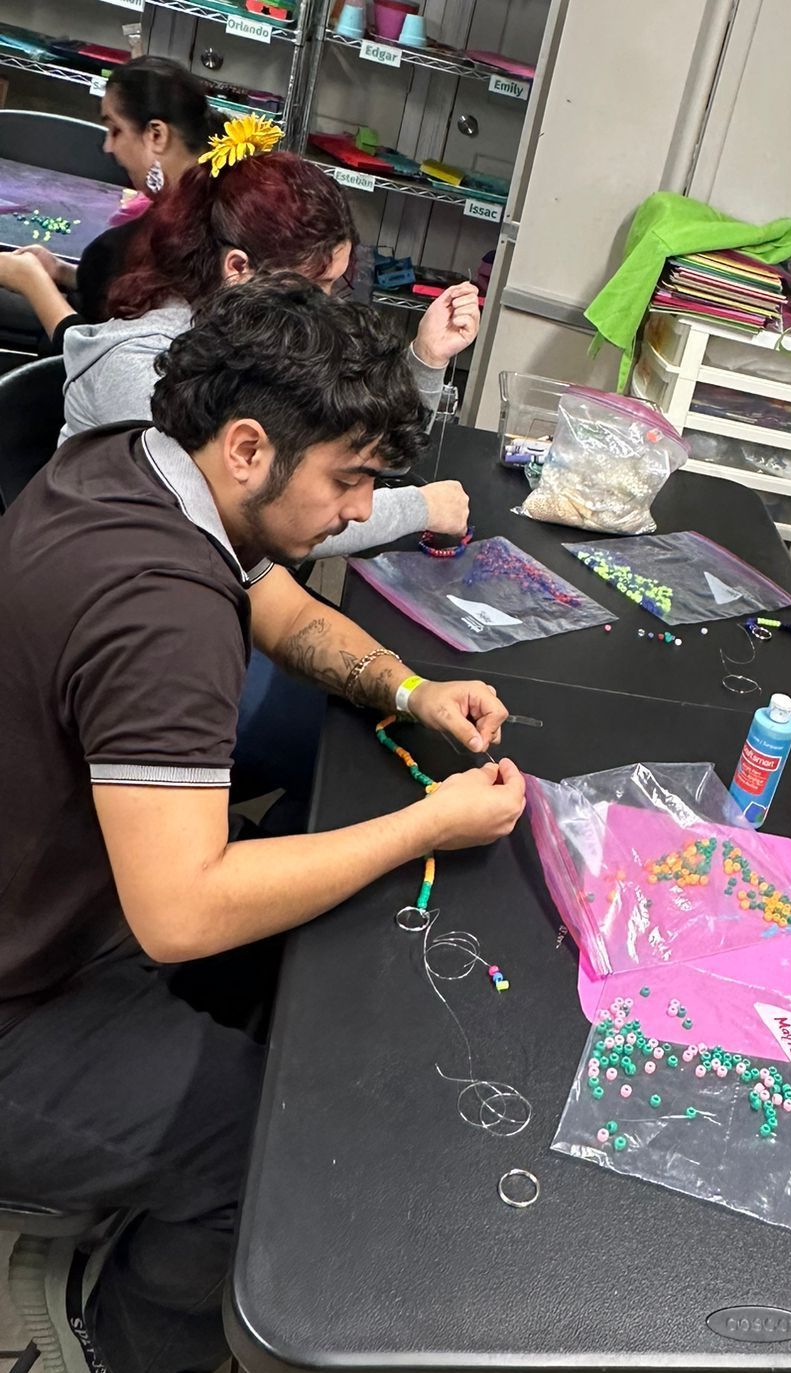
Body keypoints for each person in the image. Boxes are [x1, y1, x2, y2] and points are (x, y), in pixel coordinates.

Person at [0, 276, 526, 1373]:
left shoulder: (134, 455)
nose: (352, 511)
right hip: (24, 994)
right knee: (277, 1150)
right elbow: (184, 911)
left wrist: (405, 686)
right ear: (249, 447)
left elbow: (272, 597)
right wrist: (423, 825)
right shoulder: (160, 611)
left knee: (295, 887)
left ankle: (150, 1167)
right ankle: (128, 1340)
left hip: (49, 910)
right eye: (348, 480)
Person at [61, 139, 473, 556]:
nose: (325, 306)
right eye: (317, 286)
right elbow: (273, 517)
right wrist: (422, 507)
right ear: (238, 268)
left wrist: (426, 356)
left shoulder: (256, 343)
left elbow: (370, 454)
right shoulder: (140, 365)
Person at [0, 56, 215, 343]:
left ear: (156, 135)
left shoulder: (190, 236)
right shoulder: (183, 207)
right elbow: (132, 286)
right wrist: (64, 272)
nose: (108, 146)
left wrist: (32, 282)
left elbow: (101, 358)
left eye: (115, 130)